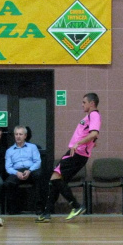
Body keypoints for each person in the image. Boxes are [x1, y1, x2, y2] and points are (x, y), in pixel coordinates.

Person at [36, 93, 101, 223]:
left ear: (92, 103)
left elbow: (94, 133)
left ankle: (76, 206)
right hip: (76, 153)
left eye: (84, 102)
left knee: (55, 177)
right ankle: (47, 212)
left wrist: (79, 143)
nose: (82, 104)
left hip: (77, 153)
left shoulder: (94, 115)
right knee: (56, 181)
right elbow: (92, 136)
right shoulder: (89, 116)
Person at [3, 125, 43, 214]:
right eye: (16, 134)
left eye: (20, 134)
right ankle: (13, 210)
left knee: (39, 177)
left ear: (25, 136)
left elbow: (37, 162)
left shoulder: (32, 147)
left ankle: (39, 207)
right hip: (17, 171)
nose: (18, 136)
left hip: (31, 170)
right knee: (8, 183)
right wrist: (17, 173)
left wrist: (29, 171)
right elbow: (8, 167)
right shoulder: (9, 151)